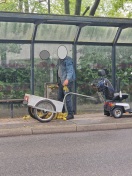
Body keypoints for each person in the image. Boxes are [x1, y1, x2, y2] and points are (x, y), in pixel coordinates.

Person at [57, 45, 76, 120]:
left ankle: (71, 114)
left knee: (67, 97)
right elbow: (59, 71)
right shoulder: (60, 60)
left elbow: (70, 71)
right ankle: (62, 112)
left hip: (67, 82)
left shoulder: (68, 60)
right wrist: (59, 81)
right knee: (60, 97)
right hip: (62, 81)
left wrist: (67, 79)